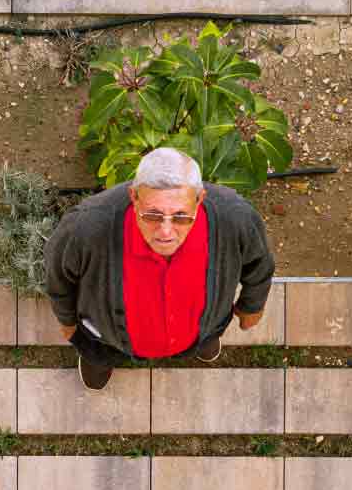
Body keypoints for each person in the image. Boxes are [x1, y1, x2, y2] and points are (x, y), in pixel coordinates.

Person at [43, 147, 276, 389]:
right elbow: (58, 276)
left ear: (200, 199)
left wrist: (252, 305)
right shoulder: (85, 227)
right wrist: (67, 322)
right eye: (152, 215)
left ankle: (203, 341)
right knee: (99, 353)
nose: (166, 232)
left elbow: (259, 264)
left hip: (204, 328)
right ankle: (99, 361)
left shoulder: (236, 218)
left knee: (207, 335)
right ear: (133, 197)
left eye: (181, 216)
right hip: (107, 338)